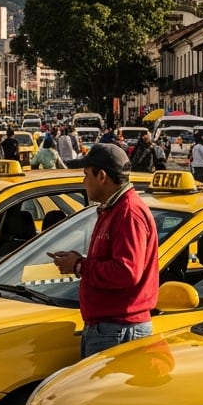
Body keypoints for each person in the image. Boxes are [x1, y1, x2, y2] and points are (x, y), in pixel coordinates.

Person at [50, 143, 159, 358]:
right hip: (109, 327)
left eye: (86, 175)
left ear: (102, 176)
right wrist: (78, 261)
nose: (83, 182)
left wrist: (80, 265)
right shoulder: (113, 208)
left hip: (118, 329)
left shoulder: (128, 212)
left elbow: (127, 271)